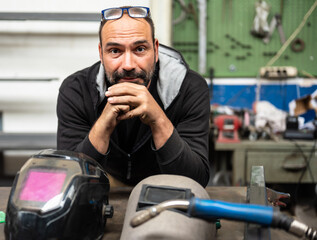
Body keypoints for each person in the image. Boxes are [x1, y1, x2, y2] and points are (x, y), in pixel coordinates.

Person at [57, 6, 211, 187]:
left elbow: (197, 179)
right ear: (101, 53)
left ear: (155, 50)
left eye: (139, 49)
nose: (128, 65)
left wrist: (159, 120)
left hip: (165, 189)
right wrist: (103, 126)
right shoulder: (76, 90)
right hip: (107, 184)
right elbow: (68, 179)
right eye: (115, 51)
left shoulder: (189, 88)